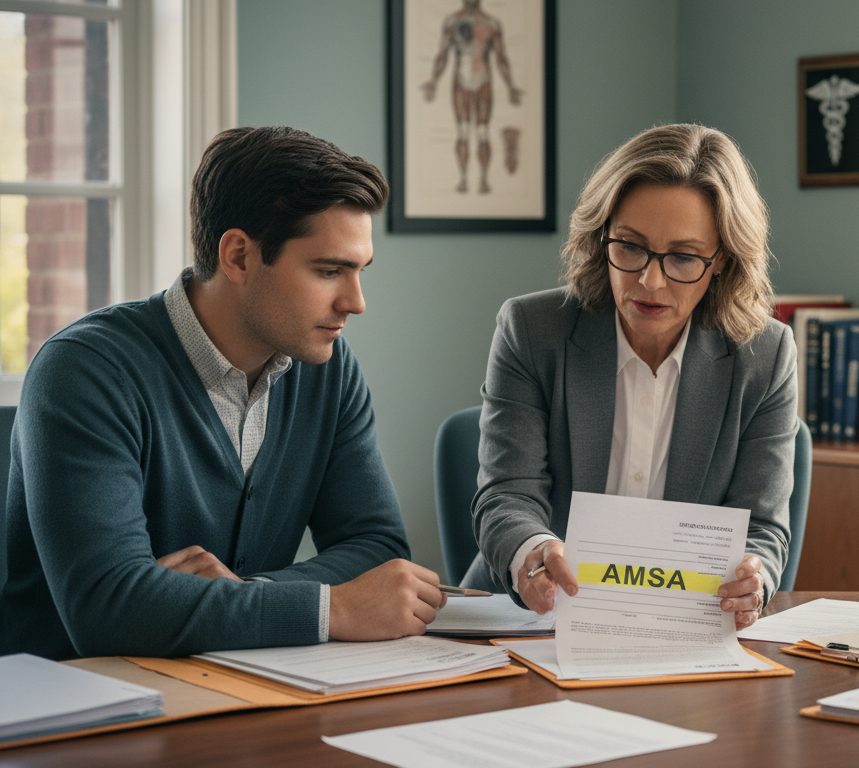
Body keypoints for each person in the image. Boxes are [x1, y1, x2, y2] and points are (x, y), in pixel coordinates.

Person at [1, 126, 446, 660]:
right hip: (82, 713)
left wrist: (237, 596)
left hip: (239, 689)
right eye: (330, 271)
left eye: (359, 271)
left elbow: (376, 551)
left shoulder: (326, 366)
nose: (355, 301)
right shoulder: (84, 371)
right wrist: (336, 608)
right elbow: (109, 611)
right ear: (238, 256)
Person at [463, 124, 795, 630]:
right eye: (630, 246)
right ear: (602, 238)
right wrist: (533, 548)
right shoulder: (533, 331)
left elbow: (763, 527)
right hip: (532, 620)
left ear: (721, 261)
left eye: (683, 257)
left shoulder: (765, 356)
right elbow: (506, 495)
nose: (650, 280)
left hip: (681, 626)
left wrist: (756, 576)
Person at [421, 0, 523, 195]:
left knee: (483, 132)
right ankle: (464, 179)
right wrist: (433, 81)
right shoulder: (452, 21)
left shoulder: (491, 23)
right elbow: (442, 55)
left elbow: (501, 58)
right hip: (461, 82)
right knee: (463, 132)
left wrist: (511, 86)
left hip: (483, 81)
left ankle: (483, 179)